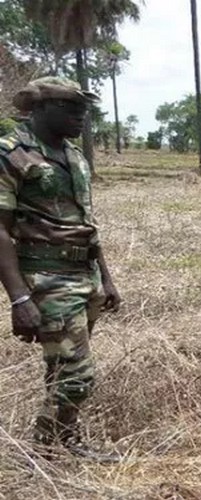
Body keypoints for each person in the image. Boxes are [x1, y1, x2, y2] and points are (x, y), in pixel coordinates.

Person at [0, 77, 122, 462]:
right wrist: (20, 297)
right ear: (39, 108)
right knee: (77, 373)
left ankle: (62, 442)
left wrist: (105, 276)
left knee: (62, 368)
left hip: (84, 276)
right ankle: (45, 450)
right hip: (46, 278)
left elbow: (87, 220)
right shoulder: (12, 153)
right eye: (69, 108)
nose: (80, 116)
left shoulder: (73, 155)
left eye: (83, 109)